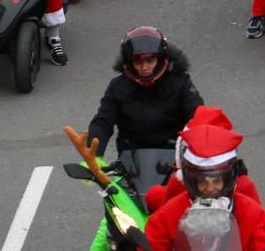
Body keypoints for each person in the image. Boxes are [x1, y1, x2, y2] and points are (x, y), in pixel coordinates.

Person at [132, 110, 265, 251]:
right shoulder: (168, 213)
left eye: (217, 180)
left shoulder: (251, 213)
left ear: (229, 178)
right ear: (190, 179)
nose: (210, 188)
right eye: (202, 181)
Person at [86, 27, 203, 159]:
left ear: (160, 59)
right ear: (129, 62)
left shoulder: (180, 82)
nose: (144, 67)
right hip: (130, 162)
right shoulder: (118, 87)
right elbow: (102, 123)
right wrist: (93, 157)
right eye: (138, 61)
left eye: (150, 60)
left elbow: (197, 115)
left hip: (175, 158)